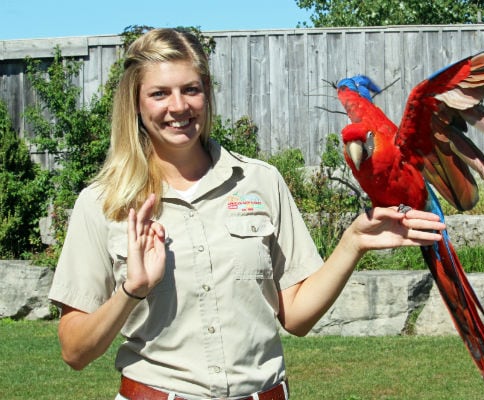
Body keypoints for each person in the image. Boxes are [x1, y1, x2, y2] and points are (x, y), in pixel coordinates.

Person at [48, 28, 445, 400]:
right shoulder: (103, 202)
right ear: (135, 103)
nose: (179, 106)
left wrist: (353, 242)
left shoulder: (260, 181)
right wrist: (131, 290)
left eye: (191, 90)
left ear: (207, 95)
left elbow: (297, 318)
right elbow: (74, 351)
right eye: (159, 94)